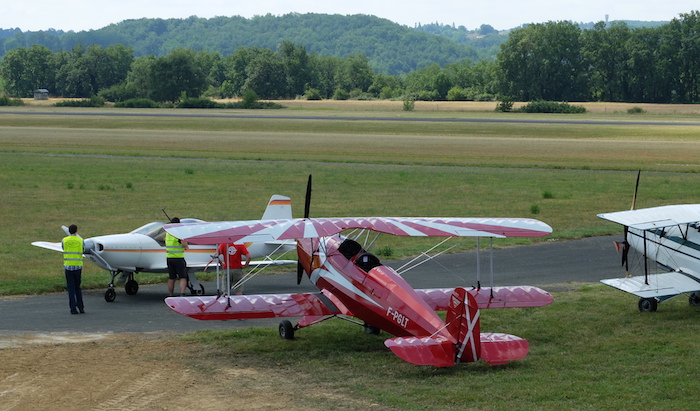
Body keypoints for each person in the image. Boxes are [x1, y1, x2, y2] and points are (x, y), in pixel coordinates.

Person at [62, 224, 85, 314]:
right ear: (76, 230)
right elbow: (83, 249)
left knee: (71, 288)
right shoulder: (80, 240)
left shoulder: (64, 240)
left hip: (68, 266)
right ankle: (81, 307)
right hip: (78, 266)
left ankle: (73, 308)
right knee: (78, 287)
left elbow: (63, 248)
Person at [165, 217, 189, 296]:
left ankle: (171, 294)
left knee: (172, 278)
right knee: (183, 277)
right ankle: (182, 293)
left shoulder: (168, 233)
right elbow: (184, 245)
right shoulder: (179, 234)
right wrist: (187, 247)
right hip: (178, 258)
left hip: (169, 258)